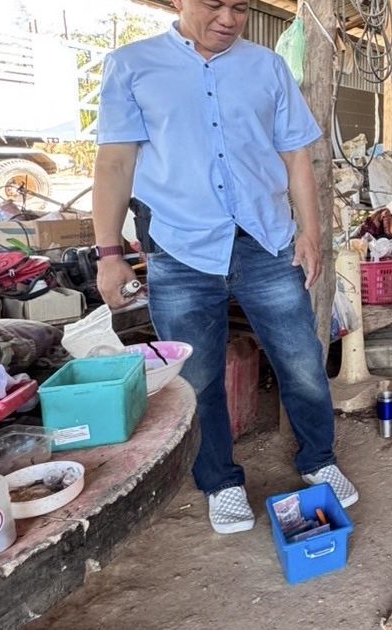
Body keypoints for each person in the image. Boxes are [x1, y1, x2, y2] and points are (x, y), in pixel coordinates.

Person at [91, 0, 357, 534]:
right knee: (197, 376)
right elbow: (115, 163)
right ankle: (220, 481)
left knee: (302, 360)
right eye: (214, 4)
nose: (228, 19)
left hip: (266, 241)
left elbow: (296, 156)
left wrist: (311, 233)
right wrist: (109, 255)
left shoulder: (267, 67)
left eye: (239, 7)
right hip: (180, 249)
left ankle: (319, 458)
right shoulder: (132, 65)